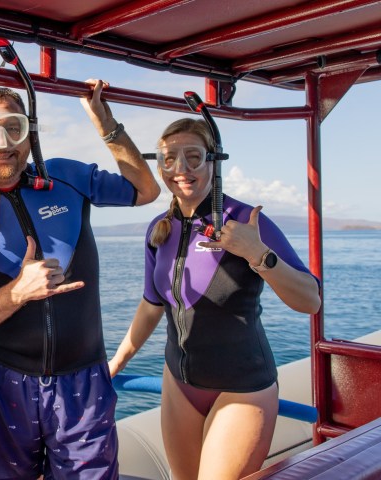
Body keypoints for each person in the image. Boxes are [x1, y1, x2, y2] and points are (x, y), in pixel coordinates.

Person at [0, 80, 161, 479]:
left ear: (31, 133)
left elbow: (145, 191)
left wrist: (106, 123)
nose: (3, 141)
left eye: (14, 127)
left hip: (82, 379)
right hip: (1, 383)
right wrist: (18, 293)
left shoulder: (66, 177)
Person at [108, 118, 322, 480]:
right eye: (169, 159)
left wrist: (258, 255)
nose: (181, 170)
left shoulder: (246, 222)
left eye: (193, 157)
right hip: (180, 382)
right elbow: (151, 305)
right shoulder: (158, 228)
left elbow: (310, 300)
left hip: (243, 387)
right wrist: (116, 361)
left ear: (213, 161)